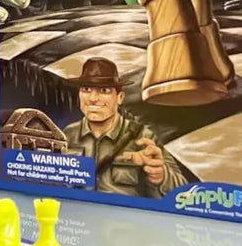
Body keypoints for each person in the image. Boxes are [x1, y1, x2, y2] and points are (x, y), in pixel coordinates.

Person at [61, 57, 186, 198]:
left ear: (120, 97)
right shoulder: (68, 135)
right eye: (86, 89)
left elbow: (184, 193)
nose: (93, 98)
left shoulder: (142, 137)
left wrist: (162, 176)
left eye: (104, 90)